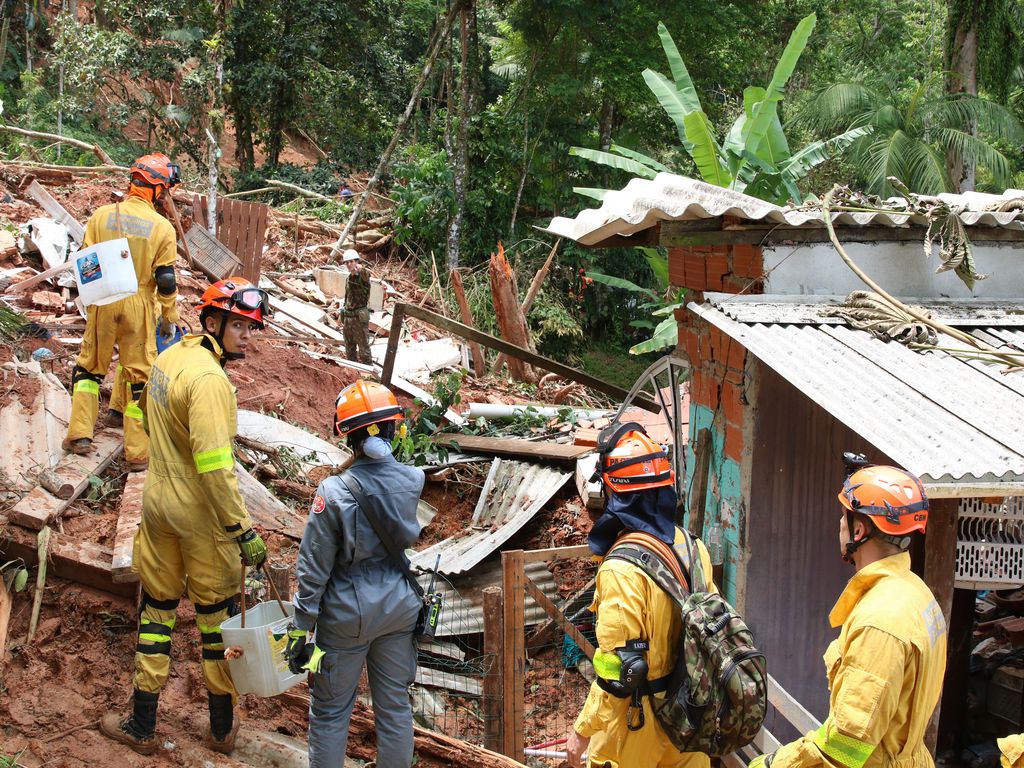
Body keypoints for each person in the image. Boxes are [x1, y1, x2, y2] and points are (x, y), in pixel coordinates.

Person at [99, 277, 270, 756]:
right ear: (213, 322)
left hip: (157, 506)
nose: (246, 336)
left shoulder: (170, 357)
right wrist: (243, 529)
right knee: (216, 620)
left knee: (156, 612)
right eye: (239, 326)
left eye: (250, 327)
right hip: (200, 516)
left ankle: (141, 723)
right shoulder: (211, 382)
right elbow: (216, 469)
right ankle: (219, 730)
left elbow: (145, 417)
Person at [748, 456, 947, 768]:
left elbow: (845, 746)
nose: (839, 524)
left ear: (859, 530)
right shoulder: (916, 593)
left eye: (844, 517)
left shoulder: (880, 623)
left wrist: (773, 764)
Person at [285, 380, 424, 768]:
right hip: (399, 604)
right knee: (395, 706)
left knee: (330, 712)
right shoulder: (413, 480)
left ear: (348, 437)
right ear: (394, 430)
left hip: (346, 613)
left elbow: (313, 569)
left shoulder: (332, 492)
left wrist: (301, 627)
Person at [567, 424, 718, 768]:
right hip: (689, 719)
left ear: (614, 493)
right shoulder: (693, 548)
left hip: (637, 727)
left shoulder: (621, 569)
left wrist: (583, 730)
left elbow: (620, 669)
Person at [65, 153, 182, 471]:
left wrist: (91, 297)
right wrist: (169, 315)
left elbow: (84, 260)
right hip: (139, 303)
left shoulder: (101, 216)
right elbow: (165, 279)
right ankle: (138, 453)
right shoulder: (162, 227)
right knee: (139, 379)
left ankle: (80, 436)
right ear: (157, 189)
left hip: (104, 299)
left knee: (89, 369)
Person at [342, 248, 372, 365]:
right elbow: (347, 297)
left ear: (356, 261)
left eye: (352, 261)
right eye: (347, 262)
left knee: (364, 350)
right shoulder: (348, 279)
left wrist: (361, 269)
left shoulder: (362, 277)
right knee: (349, 349)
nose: (349, 264)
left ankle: (369, 375)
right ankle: (352, 372)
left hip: (358, 319)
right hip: (348, 318)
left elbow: (366, 274)